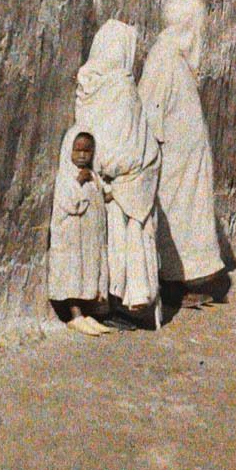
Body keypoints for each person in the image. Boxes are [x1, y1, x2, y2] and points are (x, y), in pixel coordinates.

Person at [138, 0, 230, 312]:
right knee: (175, 224)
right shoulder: (163, 59)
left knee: (188, 223)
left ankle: (190, 279)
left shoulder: (176, 60)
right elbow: (150, 112)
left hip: (187, 167)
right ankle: (174, 282)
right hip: (173, 167)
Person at [74, 19, 161, 328]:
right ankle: (124, 307)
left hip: (101, 182)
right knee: (125, 251)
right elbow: (130, 144)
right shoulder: (123, 88)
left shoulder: (88, 85)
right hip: (123, 184)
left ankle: (108, 305)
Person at [47, 127, 111, 335]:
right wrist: (79, 182)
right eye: (78, 150)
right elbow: (69, 204)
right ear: (69, 151)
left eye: (87, 151)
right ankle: (74, 315)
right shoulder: (66, 176)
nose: (82, 155)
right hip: (72, 237)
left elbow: (102, 196)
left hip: (88, 237)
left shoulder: (92, 175)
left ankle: (85, 312)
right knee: (73, 272)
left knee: (87, 272)